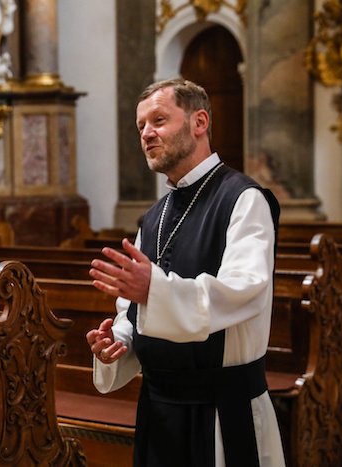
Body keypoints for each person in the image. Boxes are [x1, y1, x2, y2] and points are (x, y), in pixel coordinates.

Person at [85, 79, 285, 467]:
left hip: (222, 411)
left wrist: (154, 290)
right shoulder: (153, 217)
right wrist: (119, 341)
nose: (146, 134)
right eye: (140, 126)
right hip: (159, 411)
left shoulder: (244, 199)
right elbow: (131, 311)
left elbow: (243, 291)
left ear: (199, 122)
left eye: (158, 120)